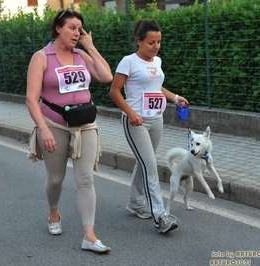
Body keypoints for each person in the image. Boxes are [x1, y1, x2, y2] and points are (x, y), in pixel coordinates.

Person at [26, 9, 113, 253]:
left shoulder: (82, 56)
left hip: (85, 124)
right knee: (55, 179)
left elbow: (107, 76)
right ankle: (53, 212)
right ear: (58, 28)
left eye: (79, 28)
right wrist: (43, 130)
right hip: (54, 125)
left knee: (85, 179)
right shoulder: (42, 57)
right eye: (72, 28)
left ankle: (89, 235)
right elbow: (31, 100)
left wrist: (91, 47)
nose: (77, 33)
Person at [109, 19, 189, 234]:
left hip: (156, 118)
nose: (156, 46)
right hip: (137, 122)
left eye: (159, 42)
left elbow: (156, 86)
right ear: (139, 42)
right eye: (151, 42)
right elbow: (114, 91)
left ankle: (135, 203)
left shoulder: (157, 62)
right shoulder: (129, 62)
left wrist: (176, 98)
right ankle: (161, 216)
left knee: (145, 162)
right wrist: (131, 113)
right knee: (150, 165)